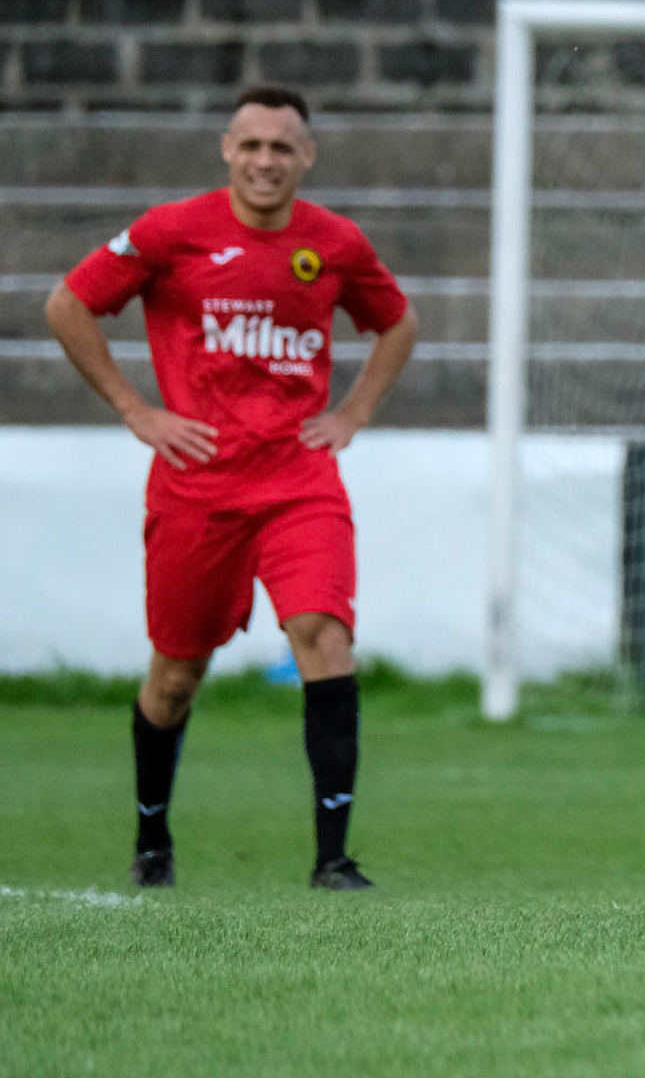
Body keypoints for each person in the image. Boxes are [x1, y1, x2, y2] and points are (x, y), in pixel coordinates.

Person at [45, 85, 419, 889]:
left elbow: (397, 321)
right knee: (175, 678)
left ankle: (333, 861)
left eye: (282, 148)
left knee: (322, 635)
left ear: (307, 158)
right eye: (252, 145)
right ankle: (152, 841)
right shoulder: (170, 232)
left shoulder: (334, 244)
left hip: (298, 482)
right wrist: (136, 410)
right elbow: (69, 303)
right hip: (195, 489)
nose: (265, 161)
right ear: (227, 149)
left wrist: (350, 414)